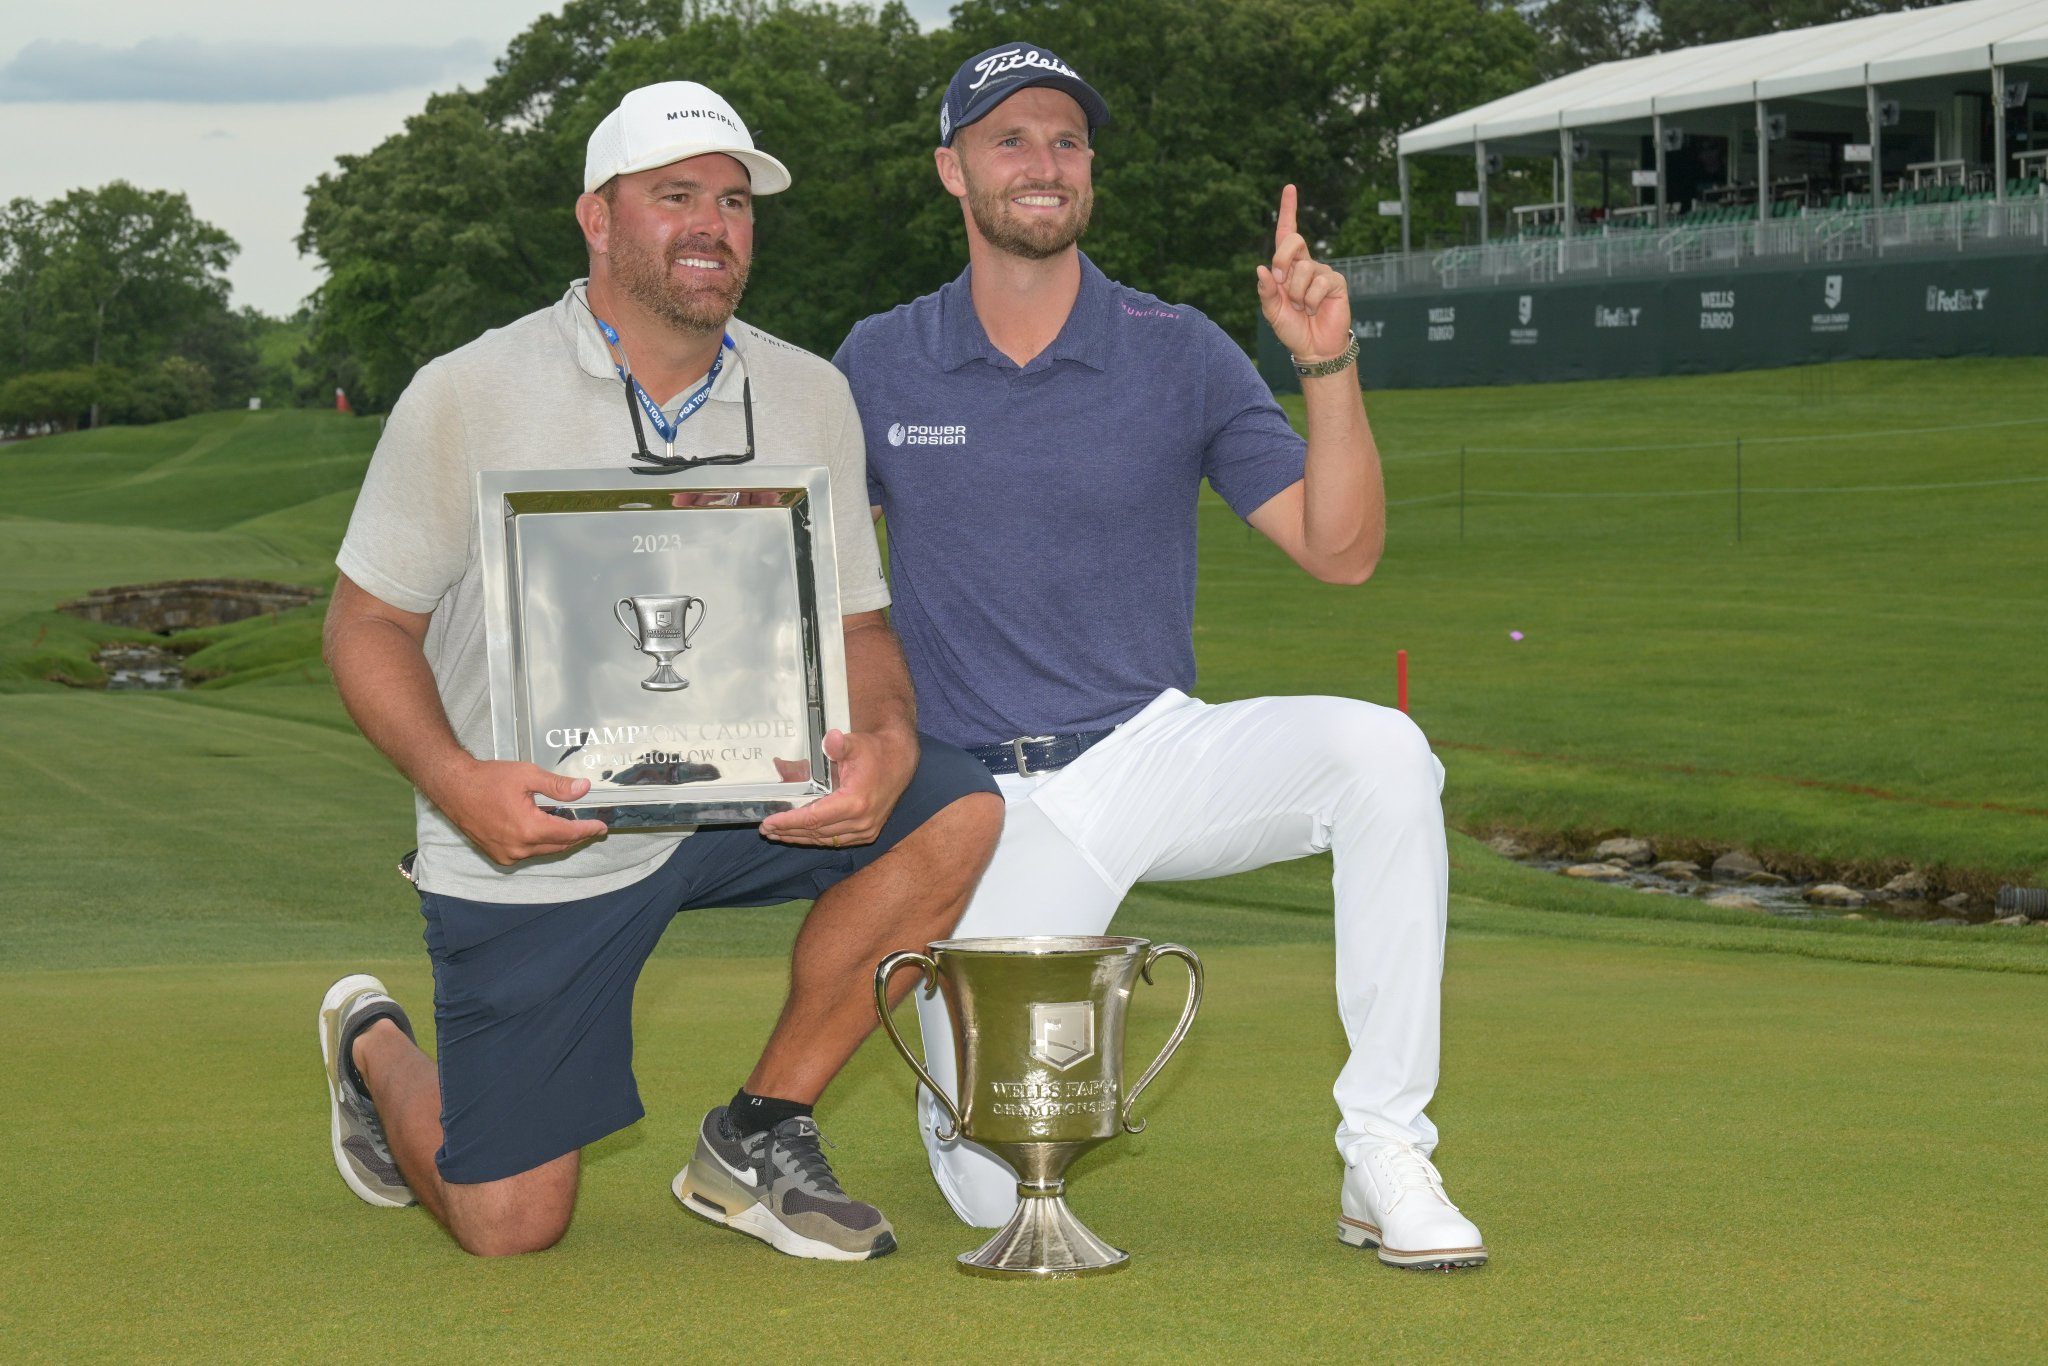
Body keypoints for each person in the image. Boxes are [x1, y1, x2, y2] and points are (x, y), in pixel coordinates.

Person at [318, 81, 1002, 1261]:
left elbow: (860, 629)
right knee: (511, 1225)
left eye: (733, 202)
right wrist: (456, 781)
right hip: (541, 827)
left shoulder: (807, 392)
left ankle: (759, 1130)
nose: (712, 224)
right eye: (674, 195)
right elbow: (364, 624)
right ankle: (369, 1041)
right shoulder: (467, 391)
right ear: (597, 217)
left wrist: (886, 740)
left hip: (744, 796)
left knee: (953, 809)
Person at [833, 44, 1486, 1270]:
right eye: (1008, 139)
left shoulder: (1173, 347)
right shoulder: (878, 359)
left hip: (1149, 748)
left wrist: (1325, 360)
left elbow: (1338, 550)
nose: (1042, 162)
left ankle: (1382, 1146)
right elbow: (813, 574)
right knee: (989, 1183)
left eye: (1066, 140)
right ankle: (956, 1073)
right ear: (950, 169)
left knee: (1384, 753)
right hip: (977, 801)